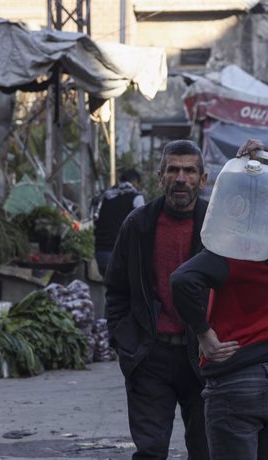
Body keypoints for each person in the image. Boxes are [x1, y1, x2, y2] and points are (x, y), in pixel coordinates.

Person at [170, 138, 268, 460]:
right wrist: (259, 171)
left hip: (234, 382)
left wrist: (204, 334)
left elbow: (181, 280)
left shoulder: (235, 255)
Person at [104, 140, 210, 460]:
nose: (181, 178)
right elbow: (117, 289)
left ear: (202, 179)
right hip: (151, 354)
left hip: (203, 356)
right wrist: (124, 340)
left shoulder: (217, 225)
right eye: (173, 170)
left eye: (189, 171)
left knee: (206, 448)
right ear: (160, 176)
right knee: (150, 450)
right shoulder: (138, 224)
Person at [93, 169, 145, 276]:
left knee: (110, 289)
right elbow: (143, 225)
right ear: (136, 183)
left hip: (101, 253)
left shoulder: (106, 197)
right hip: (122, 255)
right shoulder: (136, 197)